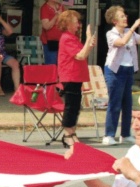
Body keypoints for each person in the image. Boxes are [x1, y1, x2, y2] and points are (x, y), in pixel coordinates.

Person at [101, 6, 140, 146]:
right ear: (114, 20)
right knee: (115, 103)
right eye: (122, 16)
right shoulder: (111, 34)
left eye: (125, 16)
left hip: (129, 70)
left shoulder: (131, 34)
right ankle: (109, 135)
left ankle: (125, 134)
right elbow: (121, 43)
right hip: (115, 70)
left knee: (128, 103)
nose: (125, 18)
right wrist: (134, 27)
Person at [57, 9, 94, 155]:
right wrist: (89, 38)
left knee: (75, 106)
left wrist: (89, 44)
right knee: (71, 106)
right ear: (67, 23)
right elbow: (80, 56)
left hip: (76, 76)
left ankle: (72, 133)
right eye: (75, 21)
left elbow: (84, 54)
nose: (78, 24)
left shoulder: (73, 38)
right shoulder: (66, 38)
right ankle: (67, 134)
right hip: (69, 75)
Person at [40, 0, 65, 65]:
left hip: (61, 40)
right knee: (52, 65)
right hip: (50, 41)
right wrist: (56, 16)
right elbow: (46, 26)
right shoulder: (45, 8)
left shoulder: (60, 6)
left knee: (61, 64)